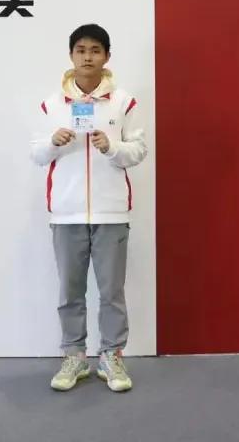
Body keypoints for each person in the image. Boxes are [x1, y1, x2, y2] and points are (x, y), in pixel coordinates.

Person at [30, 24, 148, 392]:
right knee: (70, 291)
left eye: (95, 50)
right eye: (80, 50)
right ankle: (74, 356)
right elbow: (36, 153)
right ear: (71, 55)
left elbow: (139, 150)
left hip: (111, 212)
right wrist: (53, 142)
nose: (87, 57)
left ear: (107, 56)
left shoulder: (124, 102)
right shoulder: (52, 104)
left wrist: (112, 148)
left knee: (112, 292)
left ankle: (111, 356)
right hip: (66, 213)